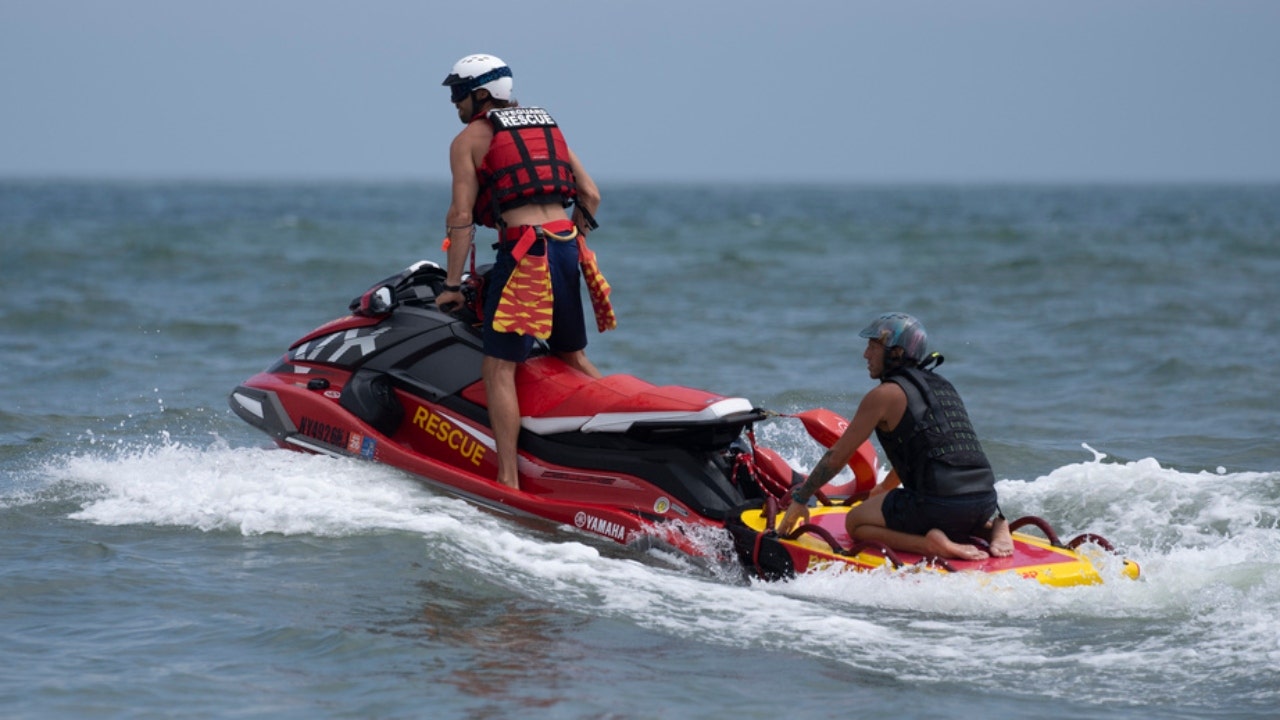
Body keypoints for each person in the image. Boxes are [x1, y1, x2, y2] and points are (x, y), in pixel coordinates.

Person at [433, 53, 608, 490]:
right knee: (573, 356)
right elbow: (590, 195)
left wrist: (452, 286)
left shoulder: (468, 140)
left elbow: (460, 216)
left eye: (458, 95)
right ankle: (621, 429)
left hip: (525, 256)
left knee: (498, 368)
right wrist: (574, 236)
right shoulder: (547, 126)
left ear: (481, 95)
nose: (454, 106)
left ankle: (508, 481)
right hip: (566, 247)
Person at [778, 313, 1014, 561]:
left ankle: (930, 544)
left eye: (872, 347)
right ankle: (994, 528)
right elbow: (930, 448)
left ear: (896, 352)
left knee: (856, 523)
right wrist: (884, 487)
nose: (865, 355)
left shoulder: (884, 395)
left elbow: (836, 457)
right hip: (984, 502)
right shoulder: (942, 385)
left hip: (939, 507)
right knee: (949, 510)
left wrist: (801, 498)